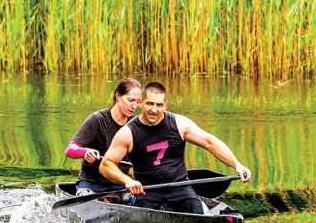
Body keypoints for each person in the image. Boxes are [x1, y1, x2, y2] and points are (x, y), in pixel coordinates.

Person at [100, 81, 251, 214]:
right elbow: (106, 165)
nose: (154, 110)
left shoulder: (179, 124)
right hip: (148, 191)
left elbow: (210, 142)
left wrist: (237, 165)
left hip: (180, 188)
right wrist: (127, 180)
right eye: (150, 104)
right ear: (141, 103)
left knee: (198, 212)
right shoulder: (127, 133)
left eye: (159, 105)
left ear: (166, 105)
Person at [65, 78, 141, 196]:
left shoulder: (136, 125)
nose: (134, 105)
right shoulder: (97, 120)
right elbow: (70, 150)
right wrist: (85, 152)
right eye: (130, 100)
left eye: (138, 102)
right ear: (118, 96)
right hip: (91, 184)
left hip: (120, 183)